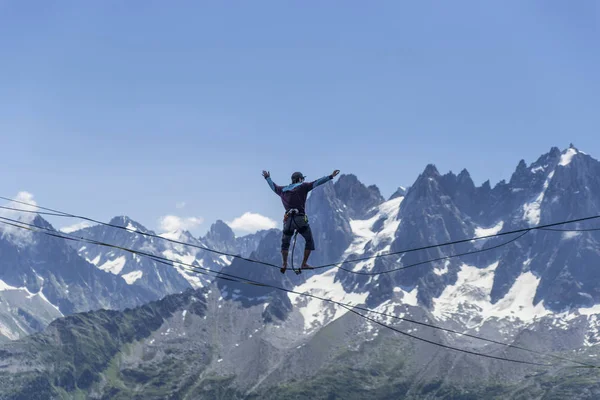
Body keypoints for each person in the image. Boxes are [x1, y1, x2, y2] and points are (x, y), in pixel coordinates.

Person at [262, 169, 340, 273]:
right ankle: (304, 263)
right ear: (299, 179)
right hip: (300, 219)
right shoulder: (303, 186)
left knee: (285, 243)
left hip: (288, 220)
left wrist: (267, 177)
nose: (302, 180)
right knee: (309, 240)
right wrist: (331, 176)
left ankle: (284, 263)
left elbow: (273, 187)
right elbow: (317, 182)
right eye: (302, 179)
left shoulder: (282, 190)